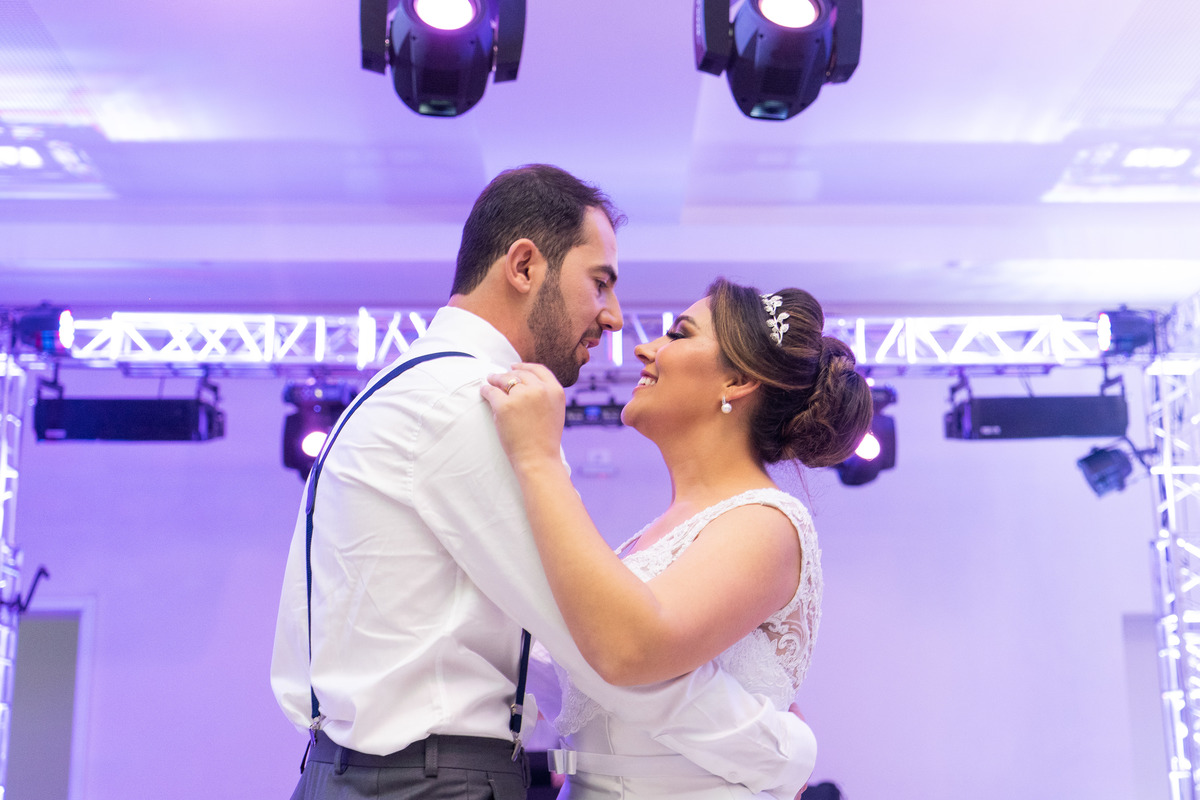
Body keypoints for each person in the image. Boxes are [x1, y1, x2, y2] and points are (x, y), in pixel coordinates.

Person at [271, 165, 823, 800]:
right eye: (601, 283)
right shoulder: (475, 402)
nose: (617, 322)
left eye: (676, 332)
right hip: (425, 781)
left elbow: (601, 645)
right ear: (525, 266)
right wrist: (786, 748)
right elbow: (609, 648)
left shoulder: (418, 382)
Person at [481, 278, 874, 799]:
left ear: (736, 380)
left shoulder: (767, 521)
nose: (646, 347)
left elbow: (628, 650)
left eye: (678, 333)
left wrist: (539, 460)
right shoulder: (649, 538)